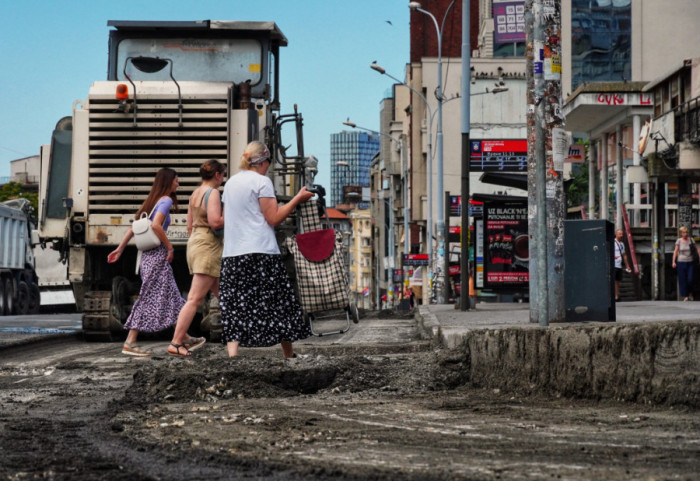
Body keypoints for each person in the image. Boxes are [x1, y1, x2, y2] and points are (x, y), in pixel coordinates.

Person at [219, 141, 315, 358]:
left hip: (233, 254)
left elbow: (228, 217)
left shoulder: (231, 183)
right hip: (261, 251)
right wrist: (296, 199)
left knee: (235, 304)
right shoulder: (262, 182)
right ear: (263, 161)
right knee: (277, 302)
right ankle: (288, 354)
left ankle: (233, 355)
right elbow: (273, 218)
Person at [107, 168, 185, 356]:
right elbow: (156, 225)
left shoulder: (152, 201)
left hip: (147, 258)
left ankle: (185, 336)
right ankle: (130, 342)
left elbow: (134, 227)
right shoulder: (165, 201)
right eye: (176, 180)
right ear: (168, 182)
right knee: (148, 297)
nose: (178, 184)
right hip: (157, 256)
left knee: (173, 296)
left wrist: (120, 248)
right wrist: (170, 247)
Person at [167, 160, 226, 357]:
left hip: (195, 242)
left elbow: (189, 225)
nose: (223, 179)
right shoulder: (214, 193)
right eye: (223, 175)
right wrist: (233, 213)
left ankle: (244, 332)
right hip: (208, 244)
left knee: (224, 295)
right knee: (194, 299)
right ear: (217, 175)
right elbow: (216, 222)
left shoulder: (194, 194)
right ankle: (176, 342)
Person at [672, 226, 700, 301]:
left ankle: (690, 292)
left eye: (686, 232)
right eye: (684, 232)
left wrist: (699, 258)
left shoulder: (691, 240)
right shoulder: (679, 241)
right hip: (681, 261)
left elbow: (697, 249)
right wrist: (673, 262)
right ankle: (685, 296)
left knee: (690, 279)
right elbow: (676, 251)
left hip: (690, 261)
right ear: (681, 233)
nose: (685, 234)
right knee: (682, 279)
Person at [613, 228, 631, 302]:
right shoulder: (613, 242)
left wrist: (627, 265)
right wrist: (614, 256)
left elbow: (624, 255)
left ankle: (616, 295)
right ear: (616, 234)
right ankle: (613, 295)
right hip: (614, 265)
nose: (621, 235)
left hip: (619, 265)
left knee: (617, 281)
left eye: (622, 234)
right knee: (613, 281)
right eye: (620, 234)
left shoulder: (622, 244)